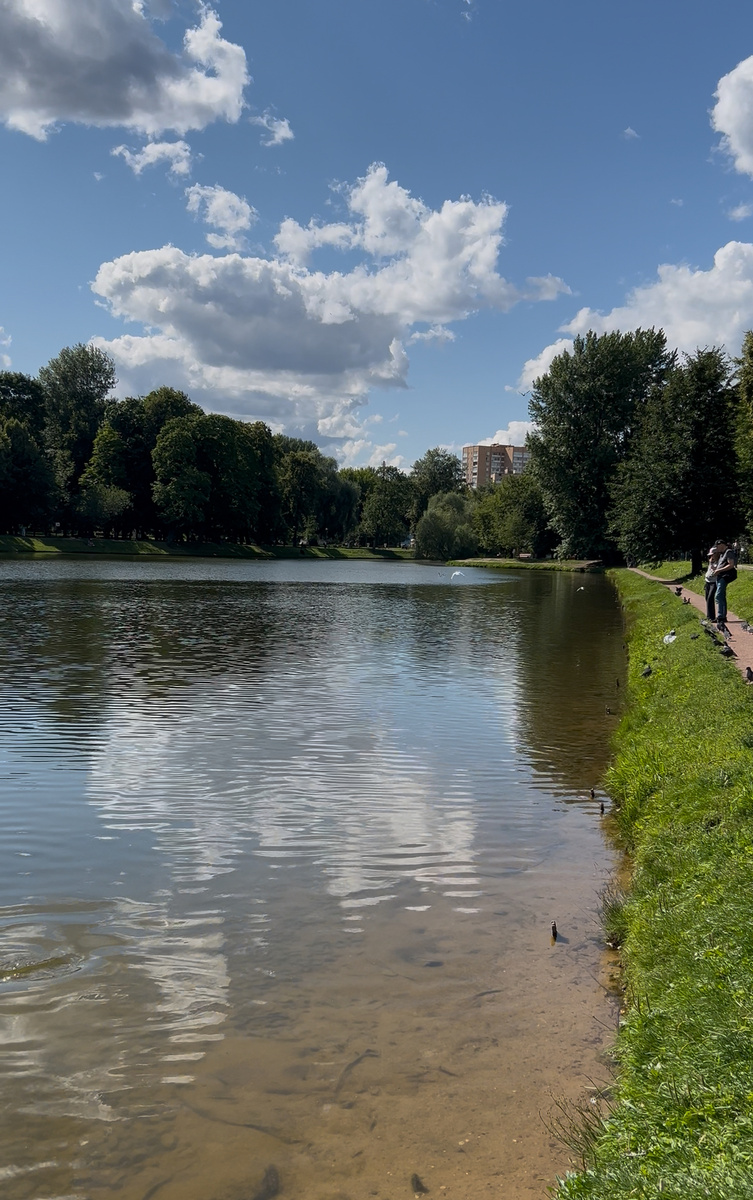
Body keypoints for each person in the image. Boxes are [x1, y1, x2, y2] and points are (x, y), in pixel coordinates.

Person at [712, 539, 738, 630]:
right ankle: (722, 616)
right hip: (719, 576)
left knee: (718, 595)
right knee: (721, 596)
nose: (716, 548)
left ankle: (720, 616)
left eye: (717, 546)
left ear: (721, 544)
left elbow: (731, 564)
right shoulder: (722, 554)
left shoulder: (728, 552)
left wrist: (719, 570)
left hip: (724, 576)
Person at [704, 545, 720, 622]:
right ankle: (709, 616)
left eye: (712, 555)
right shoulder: (711, 561)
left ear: (716, 554)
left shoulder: (719, 562)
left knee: (710, 598)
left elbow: (717, 570)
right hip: (707, 581)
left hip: (714, 582)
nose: (711, 556)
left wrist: (714, 568)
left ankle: (712, 617)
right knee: (707, 598)